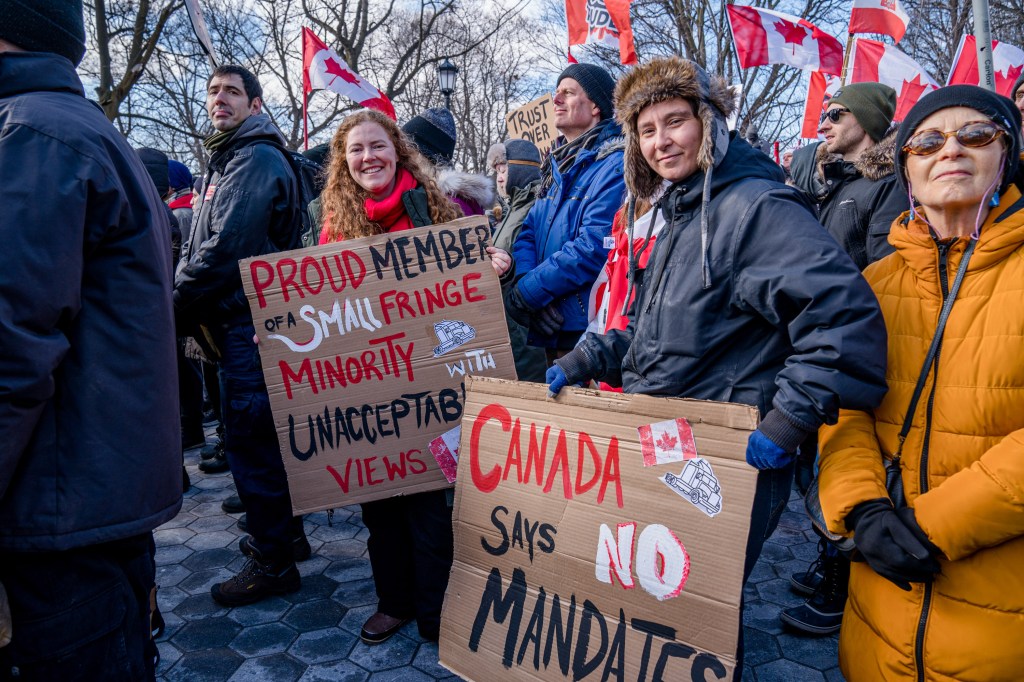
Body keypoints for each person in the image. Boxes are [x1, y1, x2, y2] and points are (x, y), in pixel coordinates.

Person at [546, 56, 888, 607]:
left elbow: (843, 315)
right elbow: (654, 329)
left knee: (692, 612)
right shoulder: (681, 212)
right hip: (667, 440)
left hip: (729, 452)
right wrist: (586, 357)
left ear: (710, 123)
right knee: (660, 603)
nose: (662, 141)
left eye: (676, 120)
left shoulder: (756, 206)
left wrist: (789, 421)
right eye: (647, 129)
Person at [817, 85, 1024, 681]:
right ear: (907, 165)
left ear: (1006, 153)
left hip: (998, 625)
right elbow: (844, 406)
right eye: (928, 141)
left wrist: (932, 527)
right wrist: (859, 508)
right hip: (877, 613)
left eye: (976, 135)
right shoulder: (875, 282)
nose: (950, 150)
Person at [0, 1, 181, 677]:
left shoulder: (31, 136)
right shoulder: (72, 131)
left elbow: (10, 342)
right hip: (88, 490)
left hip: (56, 505)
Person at [318, 109, 510, 644]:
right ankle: (394, 601)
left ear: (396, 151)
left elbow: (467, 276)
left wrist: (492, 262)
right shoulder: (336, 221)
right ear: (344, 161)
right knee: (380, 506)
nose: (368, 158)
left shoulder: (434, 205)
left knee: (430, 505)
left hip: (433, 379)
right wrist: (287, 328)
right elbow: (323, 305)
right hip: (371, 383)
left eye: (377, 146)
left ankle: (437, 608)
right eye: (356, 150)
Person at [175, 64, 310, 606]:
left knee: (252, 442)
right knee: (265, 439)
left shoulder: (253, 158)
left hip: (249, 325)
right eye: (213, 91)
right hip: (241, 323)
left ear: (255, 105)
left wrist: (174, 305)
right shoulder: (232, 158)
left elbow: (224, 253)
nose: (219, 99)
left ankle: (273, 561)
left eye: (232, 91)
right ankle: (287, 536)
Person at [506, 63, 626, 362]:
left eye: (568, 93)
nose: (555, 100)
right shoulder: (556, 169)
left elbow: (595, 245)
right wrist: (526, 284)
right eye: (556, 92)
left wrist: (530, 293)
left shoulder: (615, 164)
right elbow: (528, 234)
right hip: (551, 326)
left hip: (587, 333)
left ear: (596, 105)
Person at [801, 83, 907, 270]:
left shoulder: (890, 186)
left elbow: (886, 279)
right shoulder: (836, 184)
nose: (823, 127)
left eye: (834, 116)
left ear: (866, 120)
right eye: (824, 117)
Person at [486, 138, 547, 382]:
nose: (499, 178)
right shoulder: (513, 211)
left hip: (525, 330)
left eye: (504, 170)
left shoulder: (535, 208)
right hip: (510, 325)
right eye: (497, 172)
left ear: (521, 169)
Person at [402, 107, 494, 217]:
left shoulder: (452, 204)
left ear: (423, 158)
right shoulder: (429, 196)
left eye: (408, 152)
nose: (401, 157)